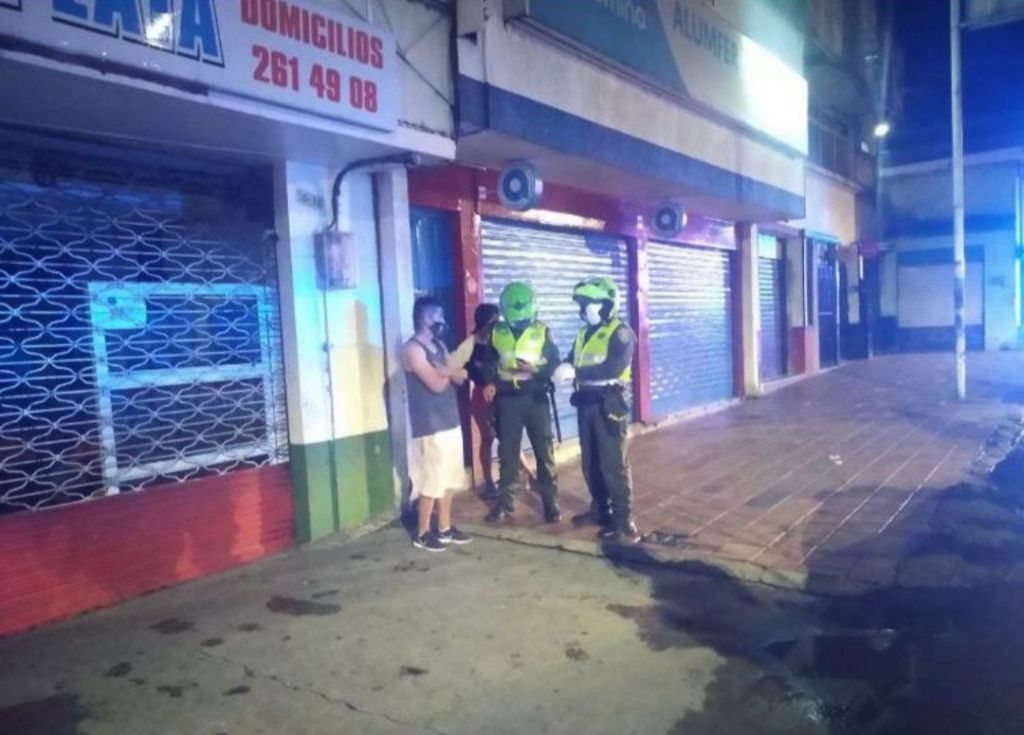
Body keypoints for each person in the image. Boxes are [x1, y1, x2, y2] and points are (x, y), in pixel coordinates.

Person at [554, 277, 640, 543]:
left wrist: (575, 371)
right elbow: (572, 358)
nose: (585, 309)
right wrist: (560, 368)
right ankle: (600, 510)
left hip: (608, 403)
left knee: (613, 463)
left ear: (606, 304)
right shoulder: (583, 333)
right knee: (590, 462)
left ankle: (624, 520)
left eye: (589, 303)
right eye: (582, 304)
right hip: (586, 402)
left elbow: (612, 367)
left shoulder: (621, 332)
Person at [480, 282, 561, 524]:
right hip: (507, 400)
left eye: (523, 320)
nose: (520, 324)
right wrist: (489, 381)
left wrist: (536, 369)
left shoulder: (542, 331)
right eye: (516, 321)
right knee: (507, 454)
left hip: (536, 398)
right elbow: (488, 362)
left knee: (543, 452)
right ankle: (505, 503)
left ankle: (550, 503)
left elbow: (554, 362)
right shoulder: (497, 331)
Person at [402, 296, 472, 552]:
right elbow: (436, 383)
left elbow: (458, 380)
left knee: (451, 478)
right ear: (424, 318)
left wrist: (448, 371)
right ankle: (422, 532)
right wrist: (450, 371)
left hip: (450, 421)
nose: (442, 321)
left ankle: (444, 528)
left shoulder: (440, 346)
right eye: (437, 316)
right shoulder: (412, 349)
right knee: (431, 481)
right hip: (429, 426)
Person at [452, 303, 535, 499]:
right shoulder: (471, 344)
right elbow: (452, 365)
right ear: (483, 322)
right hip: (482, 396)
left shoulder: (500, 341)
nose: (497, 325)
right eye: (493, 322)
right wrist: (466, 376)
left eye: (498, 321)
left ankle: (527, 473)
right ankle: (490, 481)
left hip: (503, 394)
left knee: (509, 436)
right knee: (488, 438)